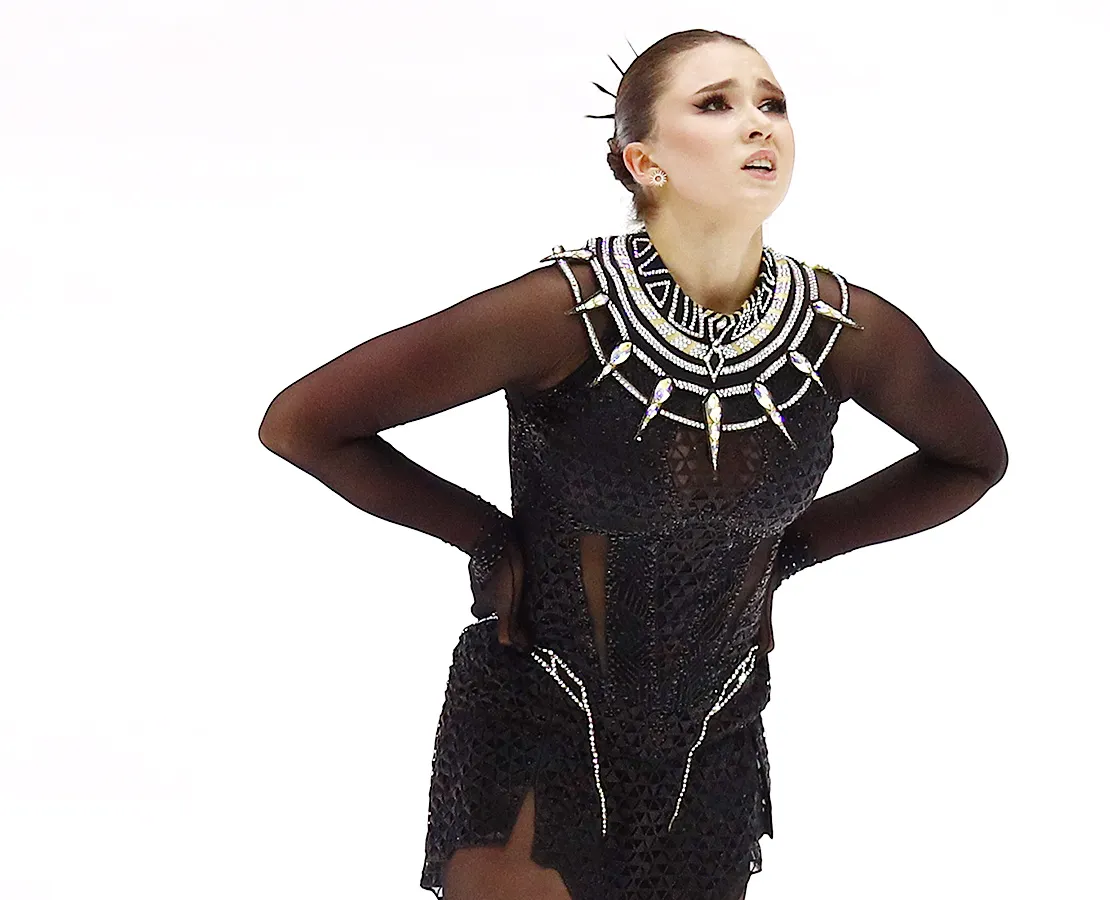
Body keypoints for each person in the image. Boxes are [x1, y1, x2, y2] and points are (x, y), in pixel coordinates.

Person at [257, 28, 1008, 900]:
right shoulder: (561, 313)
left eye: (772, 103)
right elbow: (303, 424)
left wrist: (789, 554)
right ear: (643, 161)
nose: (759, 123)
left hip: (714, 740)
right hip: (539, 722)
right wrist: (487, 538)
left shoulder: (842, 331)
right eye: (716, 104)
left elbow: (972, 460)